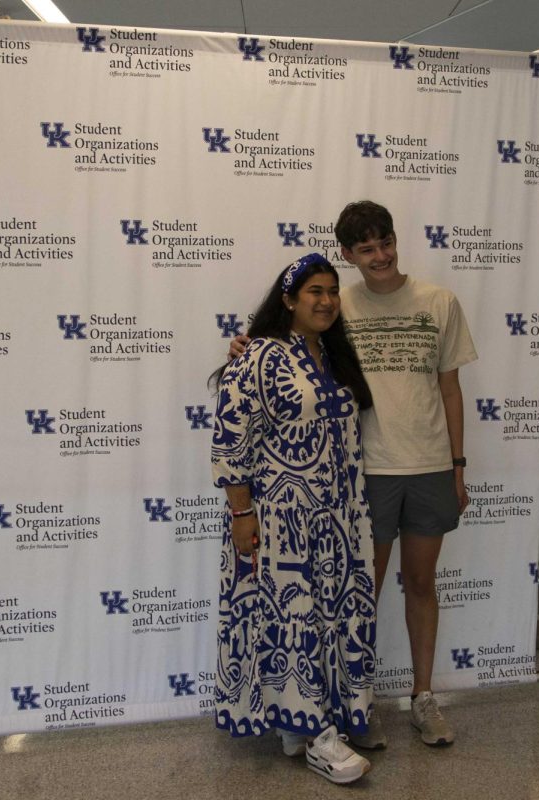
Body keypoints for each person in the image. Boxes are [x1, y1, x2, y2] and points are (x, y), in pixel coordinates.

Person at [230, 201, 477, 748]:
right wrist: (247, 346)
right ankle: (353, 701)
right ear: (348, 255)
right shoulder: (339, 307)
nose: (381, 255)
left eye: (386, 242)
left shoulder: (439, 302)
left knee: (420, 583)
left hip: (432, 466)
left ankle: (423, 697)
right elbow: (291, 349)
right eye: (366, 249)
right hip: (365, 475)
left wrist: (458, 466)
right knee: (353, 595)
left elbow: (451, 389)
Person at [210, 253, 377, 785]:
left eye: (332, 291)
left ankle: (297, 725)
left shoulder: (330, 353)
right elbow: (231, 436)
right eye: (314, 292)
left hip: (336, 521)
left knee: (326, 621)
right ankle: (319, 737)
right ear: (288, 300)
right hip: (281, 521)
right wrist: (241, 511)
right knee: (291, 620)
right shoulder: (259, 354)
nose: (326, 300)